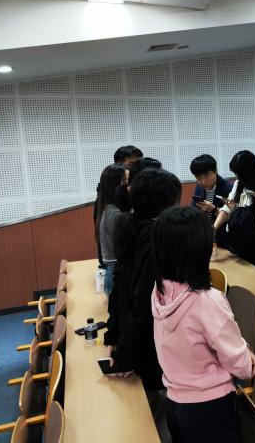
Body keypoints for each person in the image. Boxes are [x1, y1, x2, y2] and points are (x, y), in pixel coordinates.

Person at [152, 206, 255, 443]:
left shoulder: (159, 289)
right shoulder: (208, 300)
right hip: (210, 408)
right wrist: (249, 359)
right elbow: (240, 365)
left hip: (175, 402)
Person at [104, 168, 181, 443]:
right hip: (147, 344)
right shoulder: (155, 238)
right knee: (153, 419)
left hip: (131, 335)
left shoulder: (130, 224)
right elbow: (143, 304)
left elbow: (118, 291)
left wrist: (115, 336)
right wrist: (123, 352)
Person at [213, 150, 255, 273]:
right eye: (235, 173)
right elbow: (227, 208)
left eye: (238, 174)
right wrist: (214, 228)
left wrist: (239, 212)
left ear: (248, 172)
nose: (237, 177)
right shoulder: (238, 184)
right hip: (240, 236)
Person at [94, 146, 143, 264]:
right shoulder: (113, 211)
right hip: (118, 264)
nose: (136, 169)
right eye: (132, 164)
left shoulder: (113, 204)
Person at [95, 163, 127, 295]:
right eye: (125, 181)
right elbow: (121, 248)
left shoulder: (111, 209)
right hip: (116, 272)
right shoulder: (114, 214)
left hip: (114, 271)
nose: (130, 186)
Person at [189, 154, 233, 223]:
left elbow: (233, 218)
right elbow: (193, 210)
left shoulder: (229, 188)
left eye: (207, 177)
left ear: (215, 172)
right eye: (199, 178)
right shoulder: (199, 186)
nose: (203, 182)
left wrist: (213, 209)